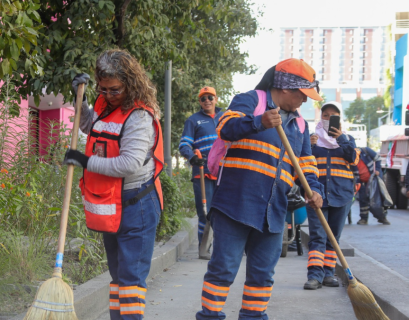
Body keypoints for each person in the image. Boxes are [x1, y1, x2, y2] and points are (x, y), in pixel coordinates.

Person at [196, 58, 324, 320]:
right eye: (303, 94)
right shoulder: (252, 100)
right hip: (235, 205)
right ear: (286, 88)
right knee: (222, 269)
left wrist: (314, 189)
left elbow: (306, 164)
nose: (306, 101)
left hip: (273, 212)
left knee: (263, 275)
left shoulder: (300, 125)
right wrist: (259, 123)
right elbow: (224, 127)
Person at [63, 49, 164, 320]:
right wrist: (80, 99)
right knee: (118, 277)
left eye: (114, 90)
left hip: (137, 204)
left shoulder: (139, 116)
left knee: (130, 281)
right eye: (103, 89)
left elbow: (128, 163)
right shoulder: (104, 105)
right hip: (114, 203)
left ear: (130, 83)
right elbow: (90, 126)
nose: (108, 95)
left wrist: (84, 161)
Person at [305, 101, 359, 290]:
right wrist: (308, 145)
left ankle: (328, 274)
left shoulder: (348, 139)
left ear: (339, 118)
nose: (328, 119)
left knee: (333, 238)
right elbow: (302, 163)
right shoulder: (311, 139)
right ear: (321, 117)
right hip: (316, 195)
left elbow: (353, 159)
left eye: (333, 116)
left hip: (341, 194)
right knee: (317, 236)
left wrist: (342, 139)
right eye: (325, 115)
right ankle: (314, 276)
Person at [179, 86, 223, 254]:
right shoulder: (193, 120)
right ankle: (204, 248)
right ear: (199, 101)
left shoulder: (225, 117)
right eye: (203, 98)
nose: (207, 101)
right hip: (202, 173)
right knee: (205, 212)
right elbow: (184, 145)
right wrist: (192, 157)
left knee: (224, 212)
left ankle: (221, 249)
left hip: (223, 173)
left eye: (210, 97)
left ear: (216, 99)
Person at [356, 147, 390, 225]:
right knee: (363, 200)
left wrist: (377, 169)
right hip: (362, 182)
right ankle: (363, 219)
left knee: (378, 199)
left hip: (373, 181)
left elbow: (378, 158)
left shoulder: (365, 151)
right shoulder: (351, 156)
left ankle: (383, 217)